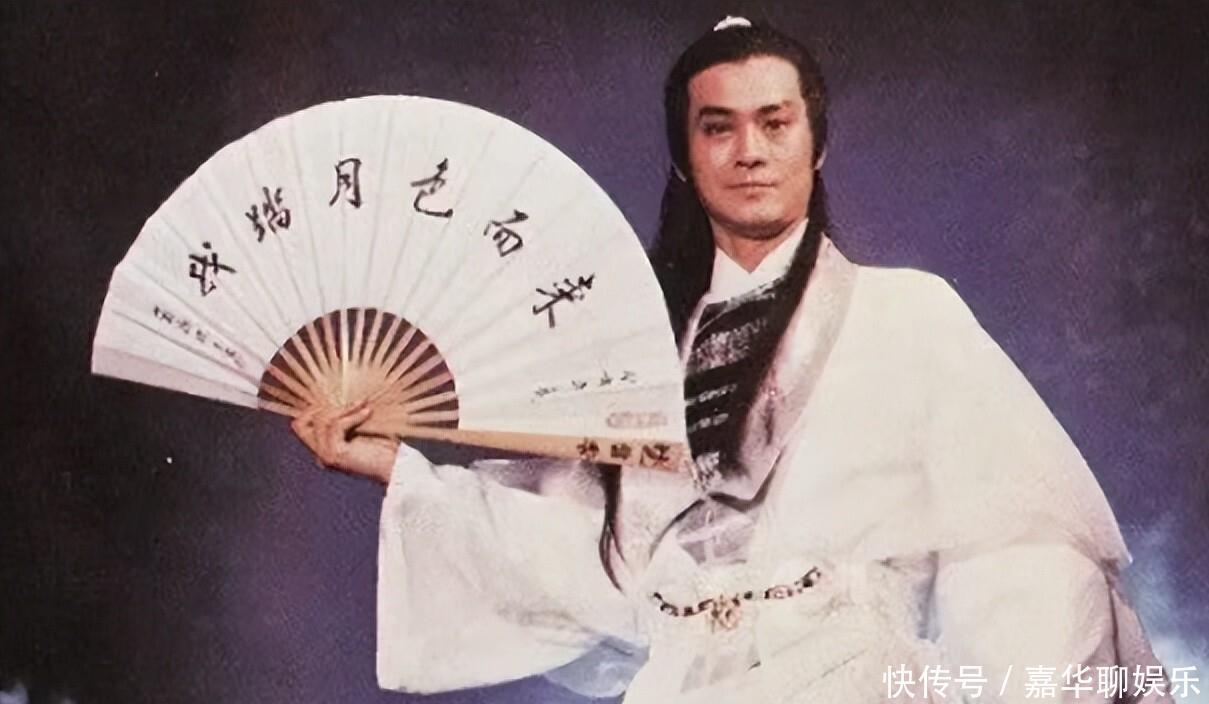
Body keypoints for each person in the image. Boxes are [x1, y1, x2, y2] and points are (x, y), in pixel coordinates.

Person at [290, 18, 1168, 703]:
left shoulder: (907, 314)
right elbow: (586, 561)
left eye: (774, 124)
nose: (749, 151)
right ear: (684, 157)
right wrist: (398, 471)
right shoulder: (639, 353)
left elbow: (1018, 544)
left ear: (815, 144)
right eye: (718, 128)